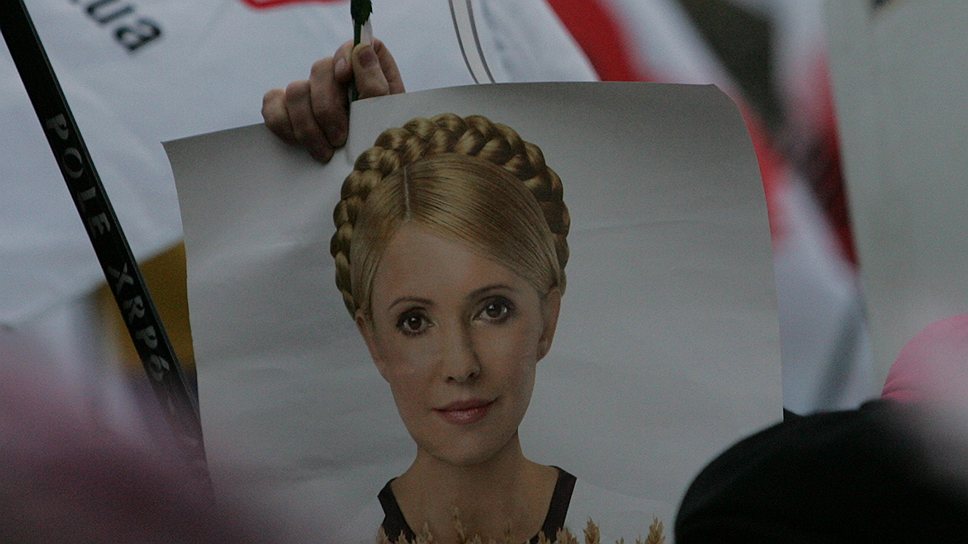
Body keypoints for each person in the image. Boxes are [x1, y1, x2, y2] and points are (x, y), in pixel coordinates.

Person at [329, 111, 573, 543]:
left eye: (493, 310)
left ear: (546, 319)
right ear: (374, 342)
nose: (461, 366)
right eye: (415, 321)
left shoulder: (655, 525)